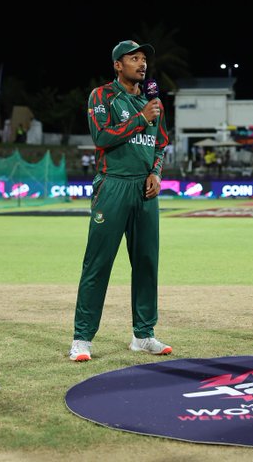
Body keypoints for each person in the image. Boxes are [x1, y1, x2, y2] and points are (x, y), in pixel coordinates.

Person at [69, 40, 171, 362]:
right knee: (98, 263)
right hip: (112, 186)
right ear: (118, 64)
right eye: (134, 58)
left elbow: (159, 145)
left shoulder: (153, 102)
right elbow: (102, 137)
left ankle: (143, 334)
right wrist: (141, 117)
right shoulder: (102, 97)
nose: (142, 64)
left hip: (145, 190)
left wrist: (156, 172)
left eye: (144, 59)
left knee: (146, 264)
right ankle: (82, 338)